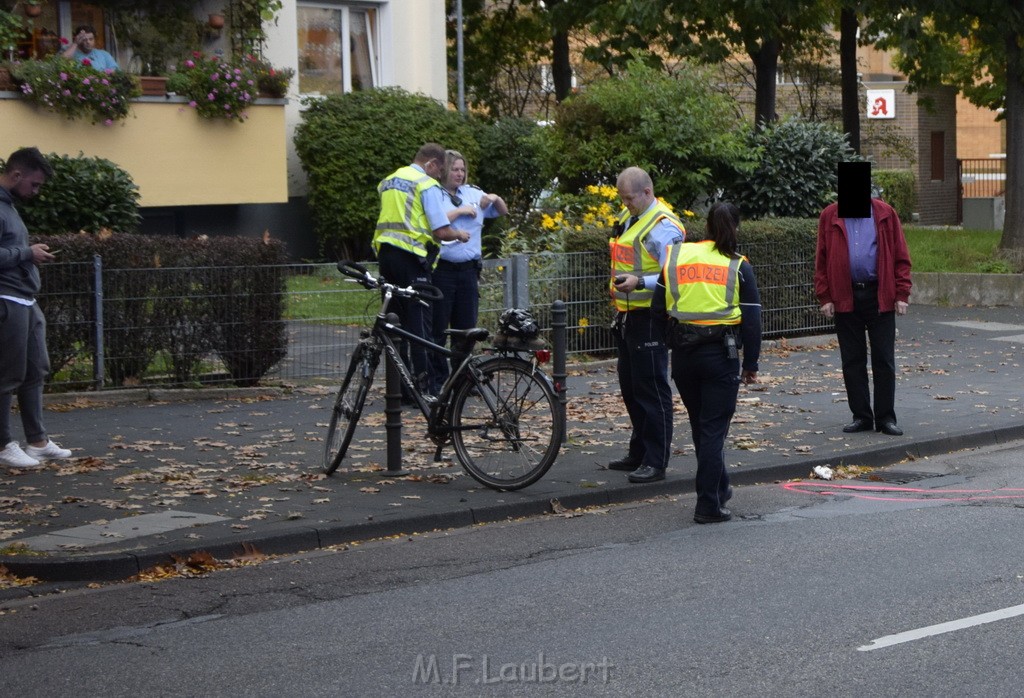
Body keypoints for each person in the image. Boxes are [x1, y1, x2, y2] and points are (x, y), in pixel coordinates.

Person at [655, 202, 761, 524]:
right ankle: (708, 505)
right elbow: (753, 320)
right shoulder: (738, 265)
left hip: (684, 357)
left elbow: (658, 309)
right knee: (714, 429)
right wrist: (751, 363)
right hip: (721, 356)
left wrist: (666, 345)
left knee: (703, 427)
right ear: (736, 228)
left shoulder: (677, 256)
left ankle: (720, 487)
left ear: (707, 226)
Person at [815, 162, 912, 436]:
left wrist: (901, 293)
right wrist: (825, 296)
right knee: (852, 360)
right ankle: (861, 416)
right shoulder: (830, 216)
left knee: (884, 359)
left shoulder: (884, 214)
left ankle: (885, 418)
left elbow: (901, 257)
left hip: (878, 294)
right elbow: (821, 260)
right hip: (845, 295)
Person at [606, 167, 686, 484]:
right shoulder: (634, 218)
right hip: (629, 316)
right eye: (622, 198)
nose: (625, 204)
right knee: (632, 388)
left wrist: (638, 282)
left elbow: (673, 274)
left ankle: (656, 461)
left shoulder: (662, 227)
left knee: (652, 390)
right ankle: (639, 451)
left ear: (647, 192)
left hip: (649, 318)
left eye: (629, 198)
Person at [373, 143, 469, 397]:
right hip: (413, 259)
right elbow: (440, 230)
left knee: (394, 324)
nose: (440, 176)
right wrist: (459, 234)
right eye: (440, 171)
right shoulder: (426, 184)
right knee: (419, 327)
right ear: (432, 164)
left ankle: (400, 389)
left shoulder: (391, 180)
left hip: (386, 256)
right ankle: (424, 389)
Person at [0, 147, 73, 469]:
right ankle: (3, 444)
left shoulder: (9, 208)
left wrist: (26, 253)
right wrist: (26, 254)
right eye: (34, 184)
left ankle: (38, 442)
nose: (36, 191)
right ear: (16, 175)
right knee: (7, 375)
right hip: (7, 300)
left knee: (35, 370)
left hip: (25, 300)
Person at [430, 149, 507, 392]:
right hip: (442, 270)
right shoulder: (434, 194)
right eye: (455, 169)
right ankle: (437, 381)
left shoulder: (473, 192)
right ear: (444, 170)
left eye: (462, 170)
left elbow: (503, 211)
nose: (459, 174)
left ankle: (462, 380)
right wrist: (461, 211)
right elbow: (436, 220)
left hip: (468, 271)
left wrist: (493, 198)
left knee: (466, 328)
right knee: (439, 327)